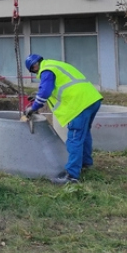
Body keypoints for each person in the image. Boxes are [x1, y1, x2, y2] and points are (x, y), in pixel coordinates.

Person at [24, 54, 103, 185]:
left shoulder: (46, 70)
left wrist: (34, 107)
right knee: (84, 134)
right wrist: (37, 97)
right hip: (92, 100)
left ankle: (71, 176)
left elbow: (45, 91)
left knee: (74, 138)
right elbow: (59, 86)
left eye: (33, 68)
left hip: (79, 104)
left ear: (33, 67)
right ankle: (86, 164)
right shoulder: (55, 65)